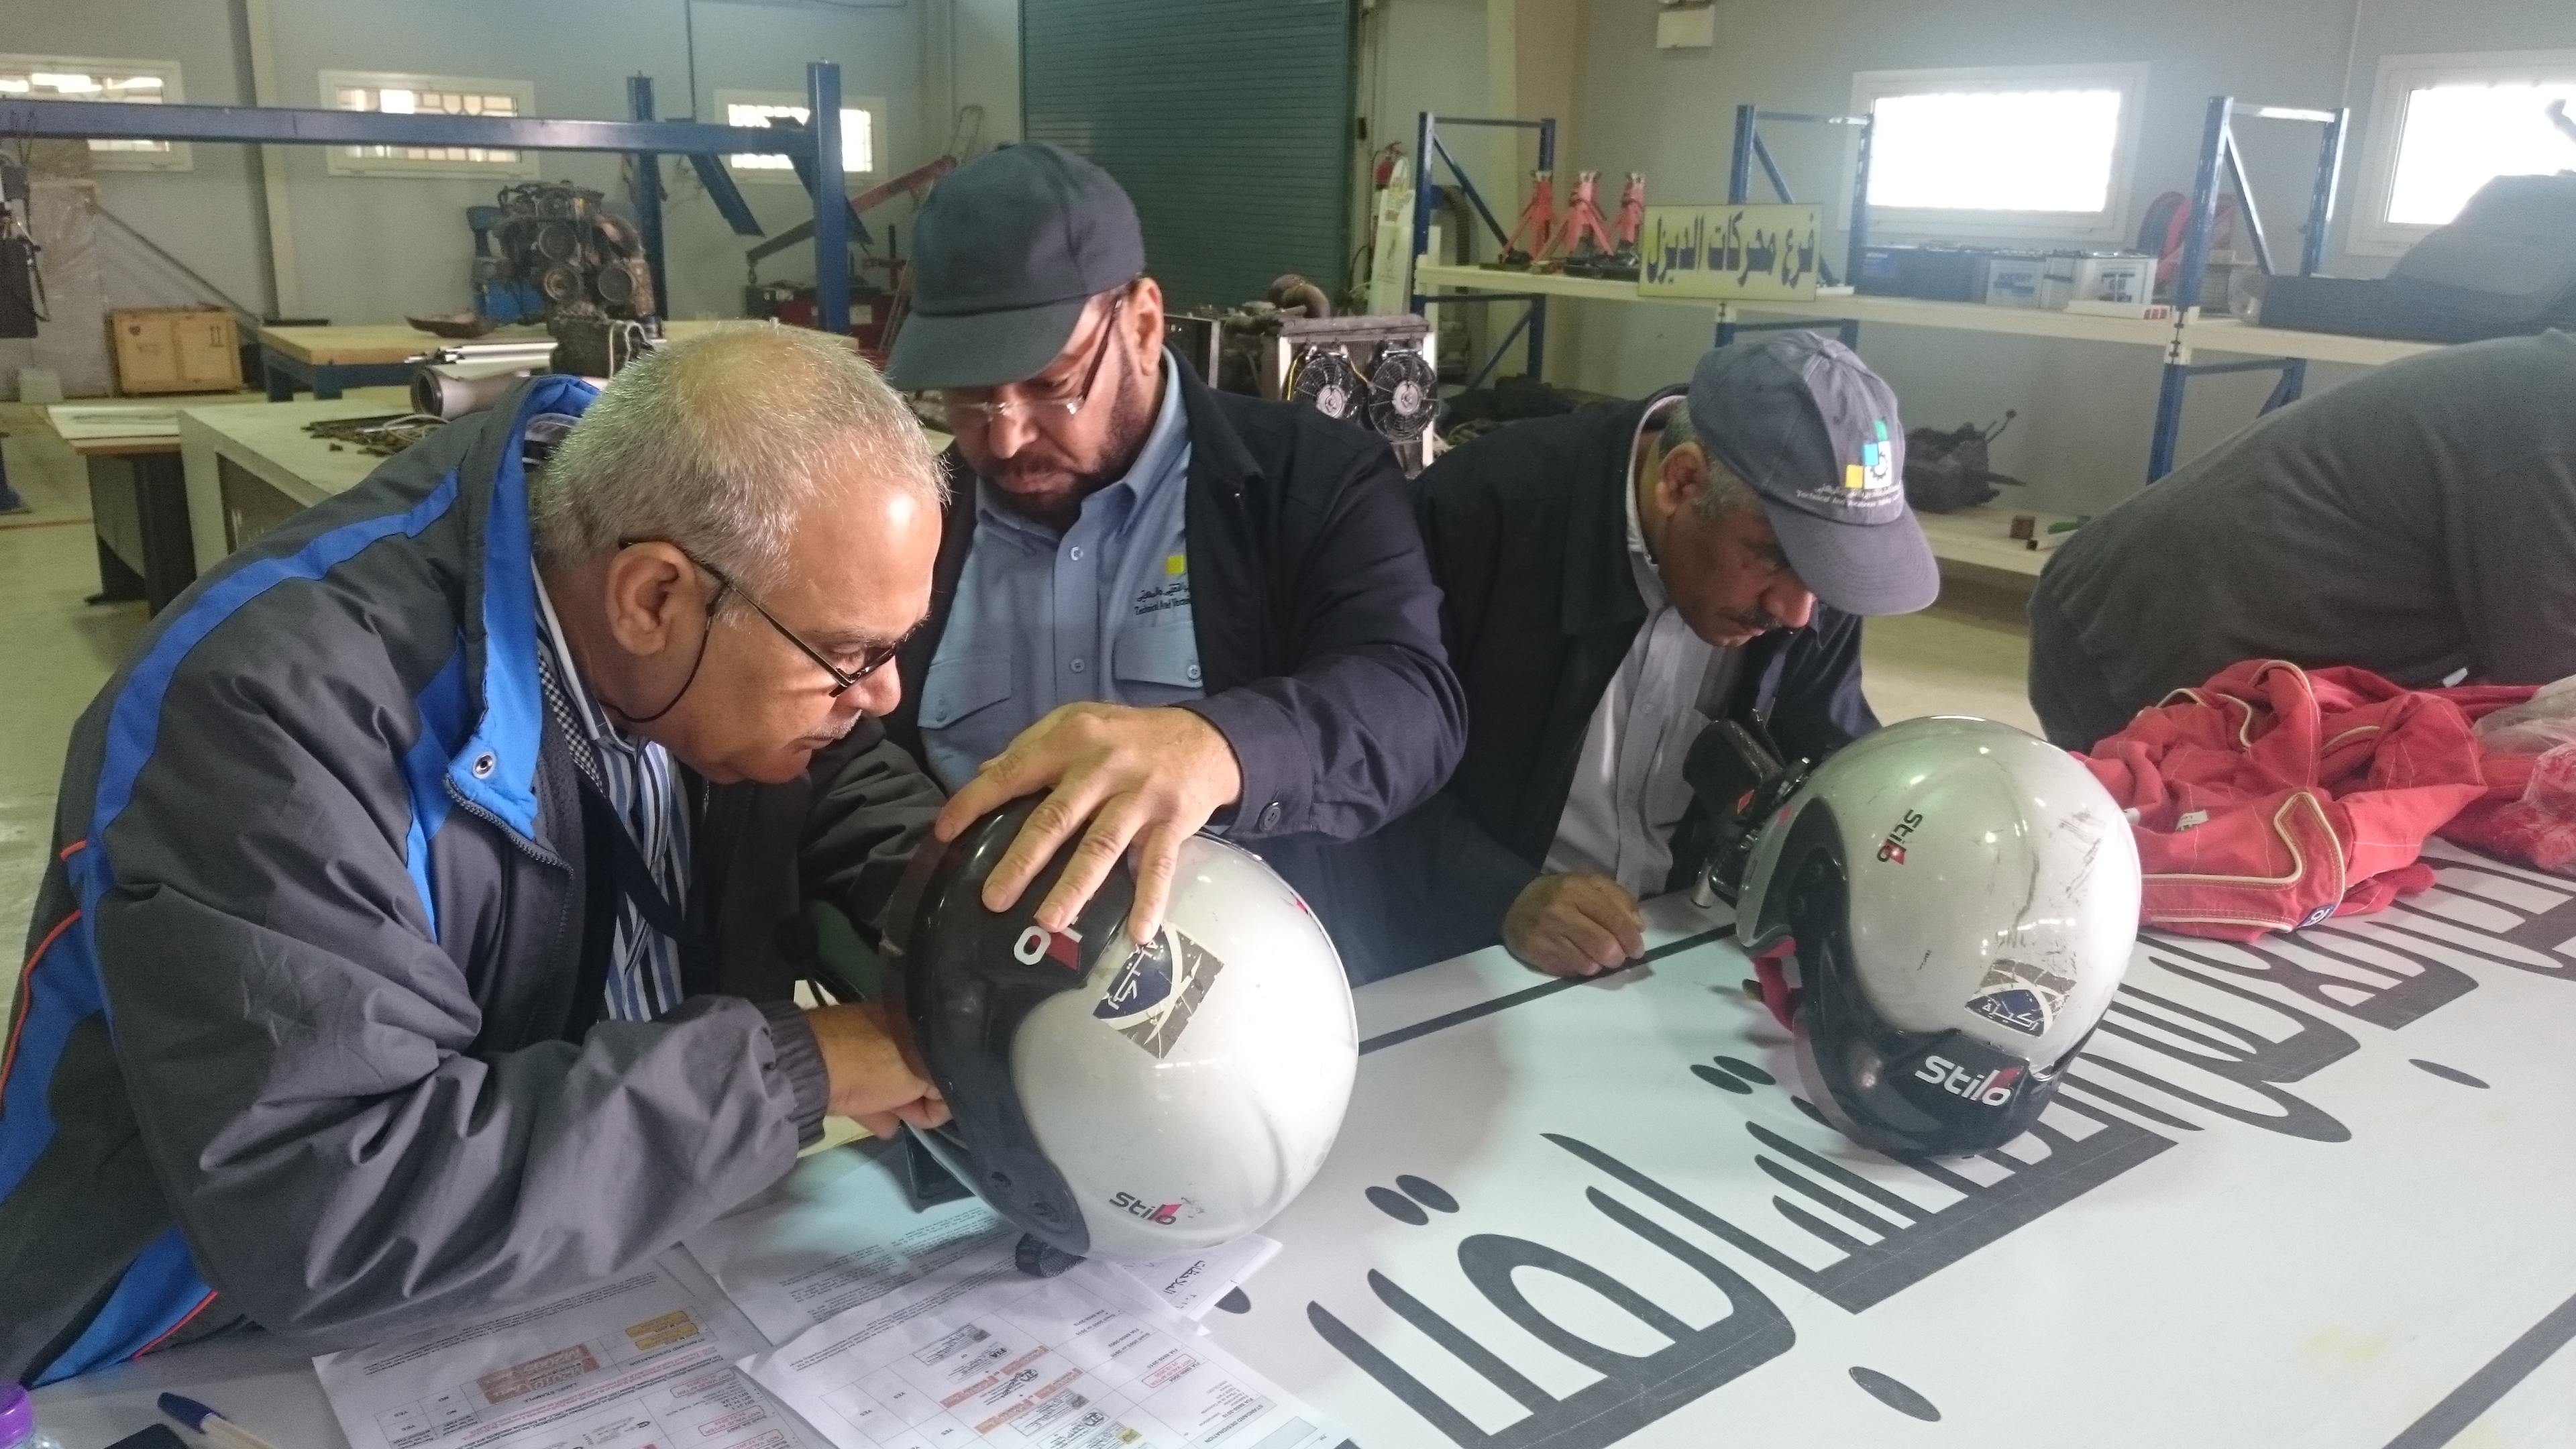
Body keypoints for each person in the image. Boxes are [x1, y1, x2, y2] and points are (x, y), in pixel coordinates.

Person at [0, 327, 955, 1383]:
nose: (880, 697)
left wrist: (991, 903)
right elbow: (331, 1213)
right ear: (654, 599)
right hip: (207, 1337)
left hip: (580, 1255)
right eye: (851, 656)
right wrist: (794, 1069)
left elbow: (844, 782)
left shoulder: (680, 590)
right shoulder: (273, 723)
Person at [879, 142, 1464, 963]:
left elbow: (1412, 705)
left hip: (1250, 1002)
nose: (1005, 435)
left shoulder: (1309, 483)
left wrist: (1222, 746)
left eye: (1051, 385)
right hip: (979, 1007)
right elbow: (860, 765)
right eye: (968, 397)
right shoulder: (917, 527)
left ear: (1144, 325)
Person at [1358, 332, 1938, 977]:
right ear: (1681, 480)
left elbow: (1830, 749)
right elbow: (1355, 765)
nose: (1798, 614)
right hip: (1465, 954)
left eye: (1827, 577)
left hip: (1688, 941)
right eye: (1776, 558)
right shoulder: (1483, 514)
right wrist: (1499, 893)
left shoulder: (1811, 579)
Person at [2027, 331, 2576, 751]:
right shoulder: (2550, 438)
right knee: (2168, 860)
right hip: (2158, 633)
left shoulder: (2549, 385)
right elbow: (2548, 686)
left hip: (2161, 599)